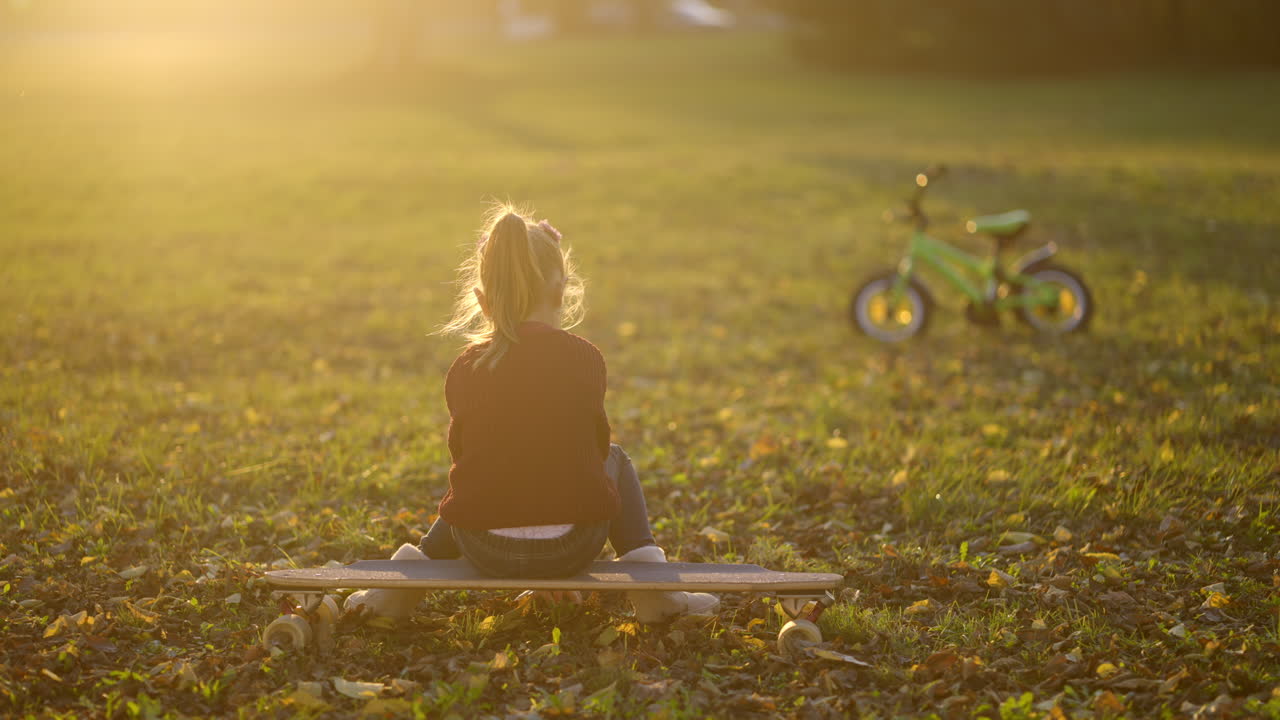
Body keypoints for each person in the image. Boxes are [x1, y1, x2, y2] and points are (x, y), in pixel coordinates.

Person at [345, 205, 718, 622]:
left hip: (483, 545)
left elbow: (463, 455)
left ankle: (401, 586)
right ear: (561, 291)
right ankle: (655, 589)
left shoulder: (468, 367)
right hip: (574, 542)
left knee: (480, 473)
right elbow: (591, 451)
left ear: (482, 301)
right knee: (615, 458)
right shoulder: (584, 358)